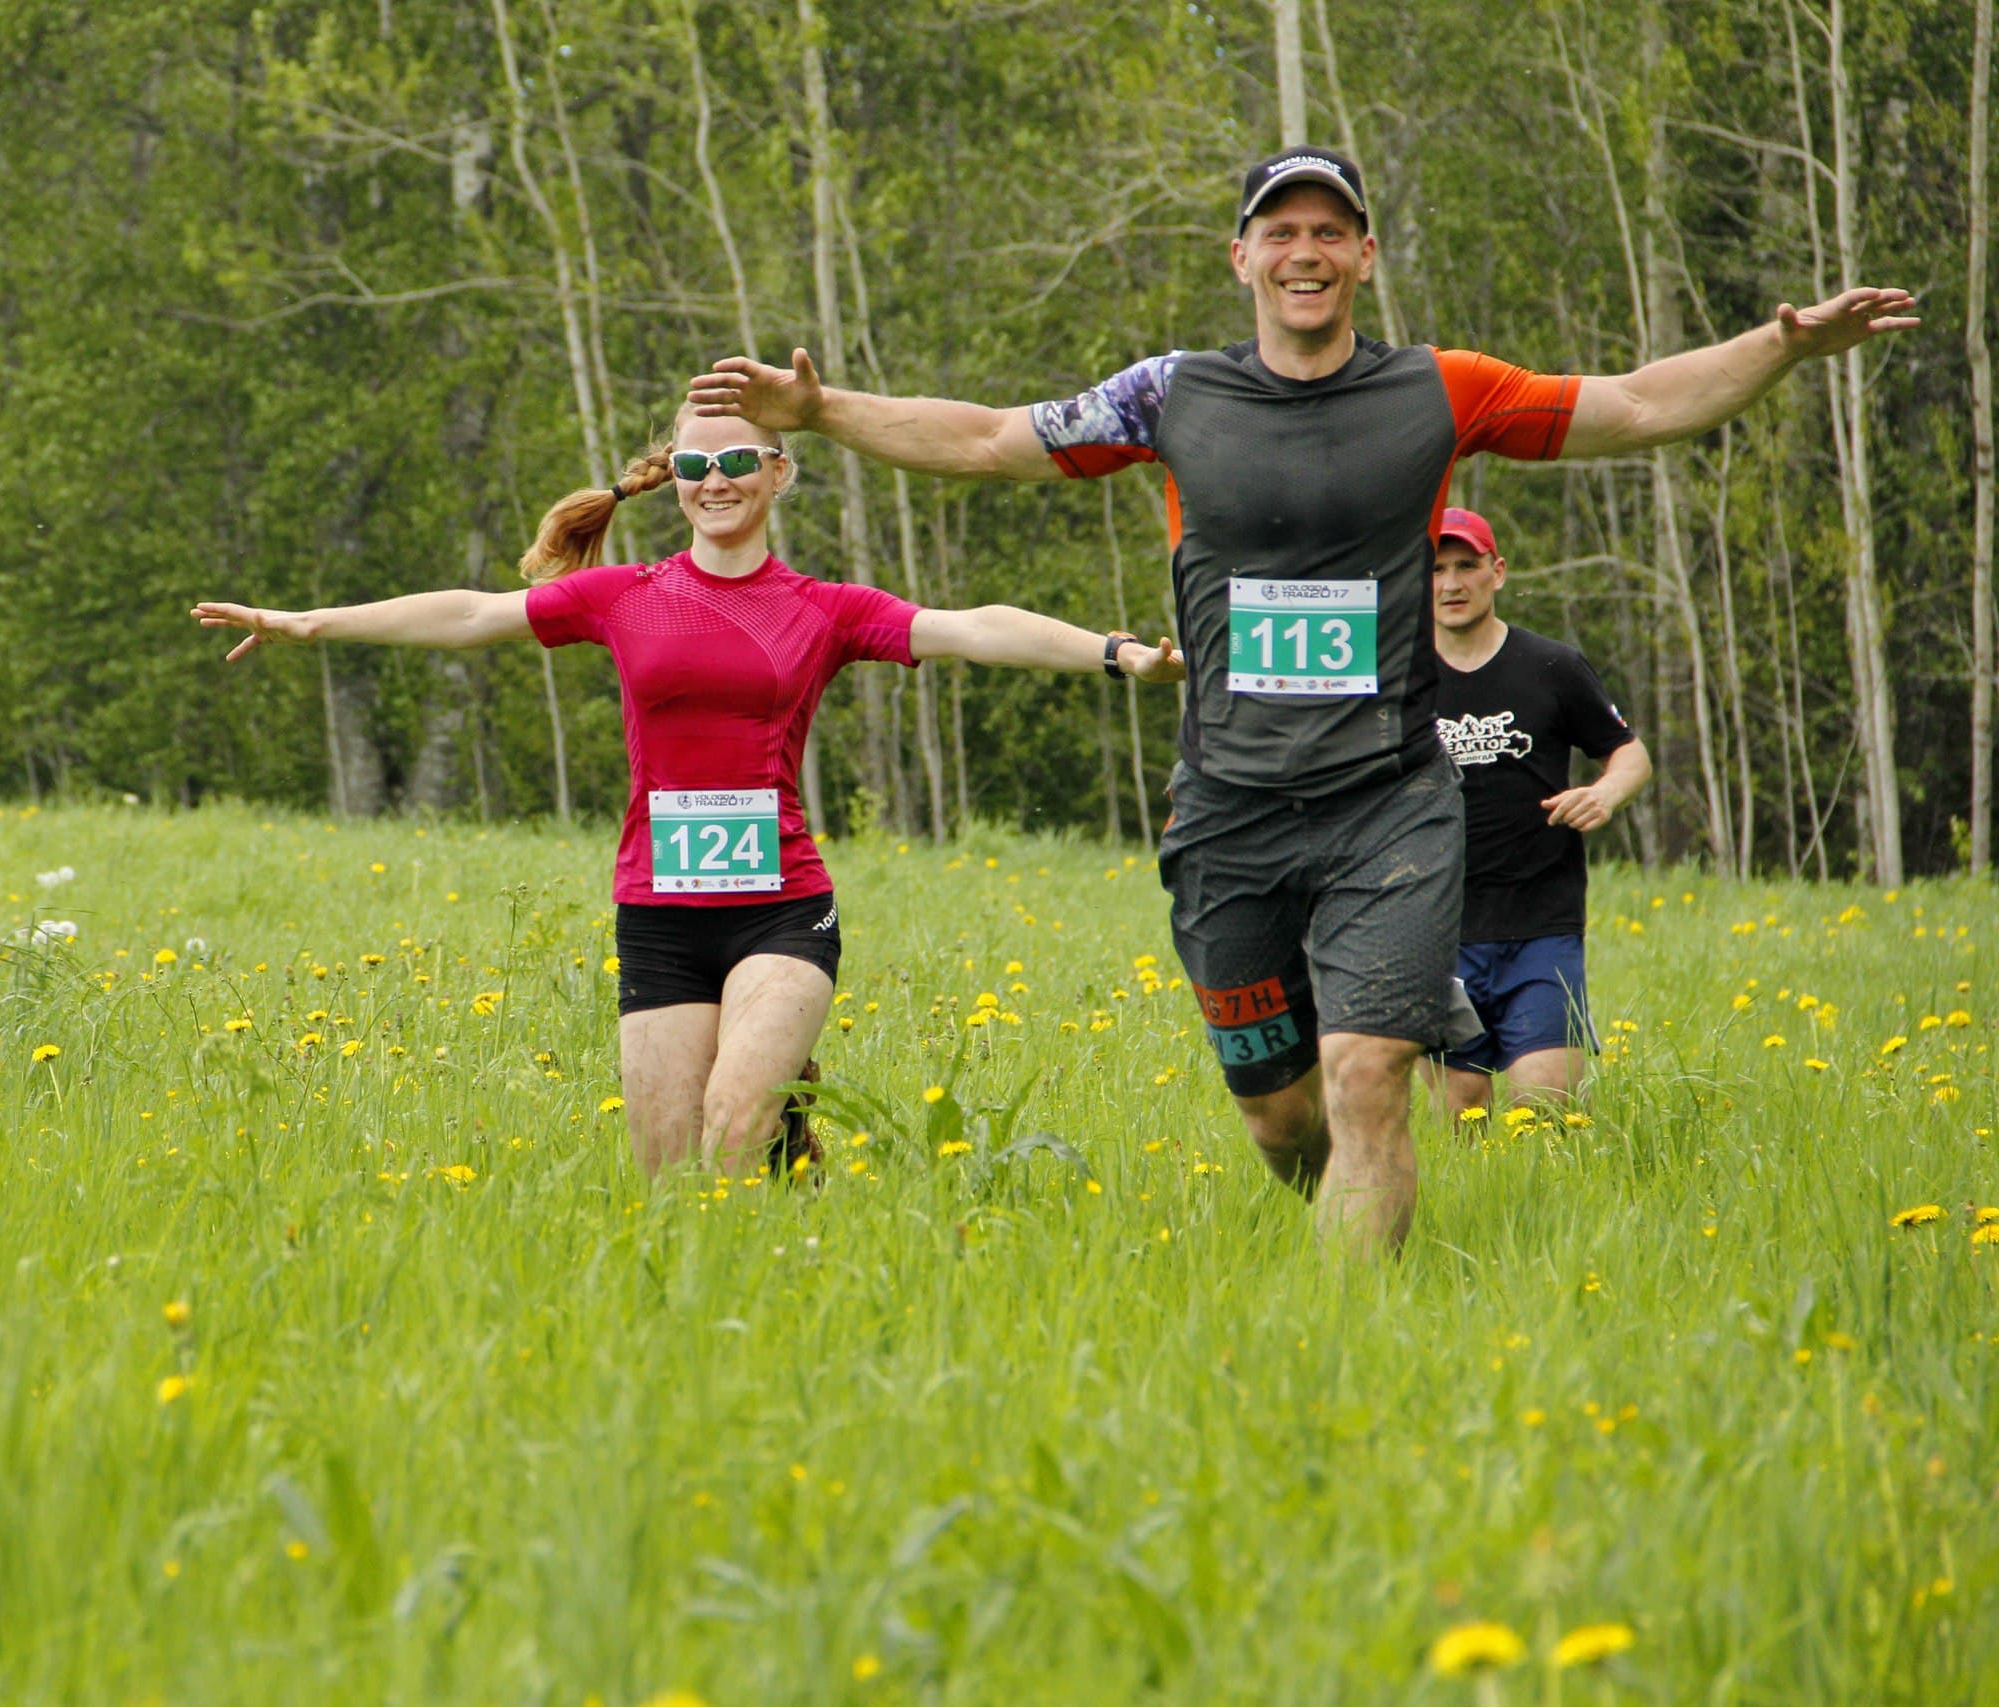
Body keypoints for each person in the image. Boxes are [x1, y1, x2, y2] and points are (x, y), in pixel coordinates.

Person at [689, 145, 1916, 1253]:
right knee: (1280, 1117)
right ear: (1242, 257)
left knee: (1367, 1073)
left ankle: (1355, 1348)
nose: (1305, 252)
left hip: (1388, 803)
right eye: (1280, 231)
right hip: (1226, 810)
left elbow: (1639, 403)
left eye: (1330, 231)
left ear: (1364, 256)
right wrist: (823, 412)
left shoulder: (1442, 390)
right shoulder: (1169, 396)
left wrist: (1782, 347)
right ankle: (1339, 1196)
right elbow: (984, 439)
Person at [191, 406, 1182, 1181]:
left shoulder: (826, 610)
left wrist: (1116, 653)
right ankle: (786, 1233)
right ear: (674, 481)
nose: (717, 481)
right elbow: (472, 612)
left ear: (777, 474)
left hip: (782, 910)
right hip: (658, 917)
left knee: (733, 1120)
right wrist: (313, 624)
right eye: (697, 466)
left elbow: (974, 627)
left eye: (739, 462)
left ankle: (782, 1127)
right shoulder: (621, 596)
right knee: (680, 1193)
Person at [1426, 507, 1650, 1115]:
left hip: (1541, 924)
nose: (1451, 583)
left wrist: (1604, 793)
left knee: (1546, 1106)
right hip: (1435, 929)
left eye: (1466, 566)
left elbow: (1629, 753)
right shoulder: (1400, 679)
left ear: (1496, 572)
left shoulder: (1552, 666)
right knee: (1462, 1118)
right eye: (1436, 569)